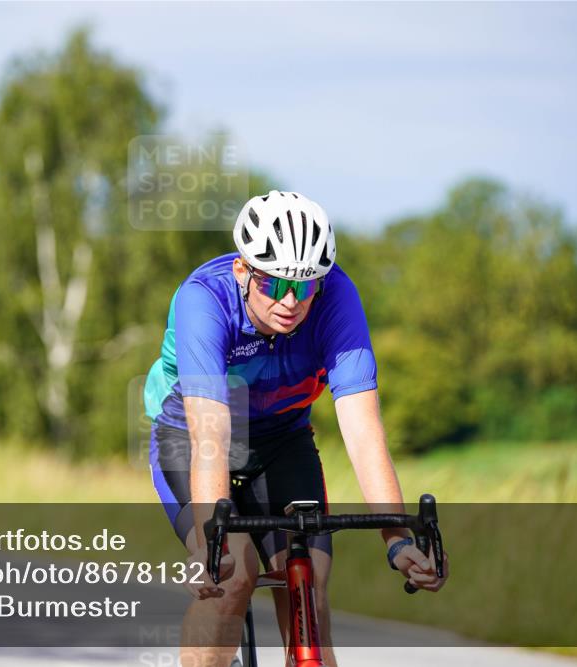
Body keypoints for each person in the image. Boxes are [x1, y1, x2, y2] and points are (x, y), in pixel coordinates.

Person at [144, 190, 448, 667]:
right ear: (243, 271)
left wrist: (398, 539)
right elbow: (211, 435)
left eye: (304, 288)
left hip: (283, 439)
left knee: (306, 582)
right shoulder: (203, 299)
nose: (290, 301)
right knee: (231, 576)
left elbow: (364, 433)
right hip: (193, 434)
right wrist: (209, 544)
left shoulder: (337, 297)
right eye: (274, 284)